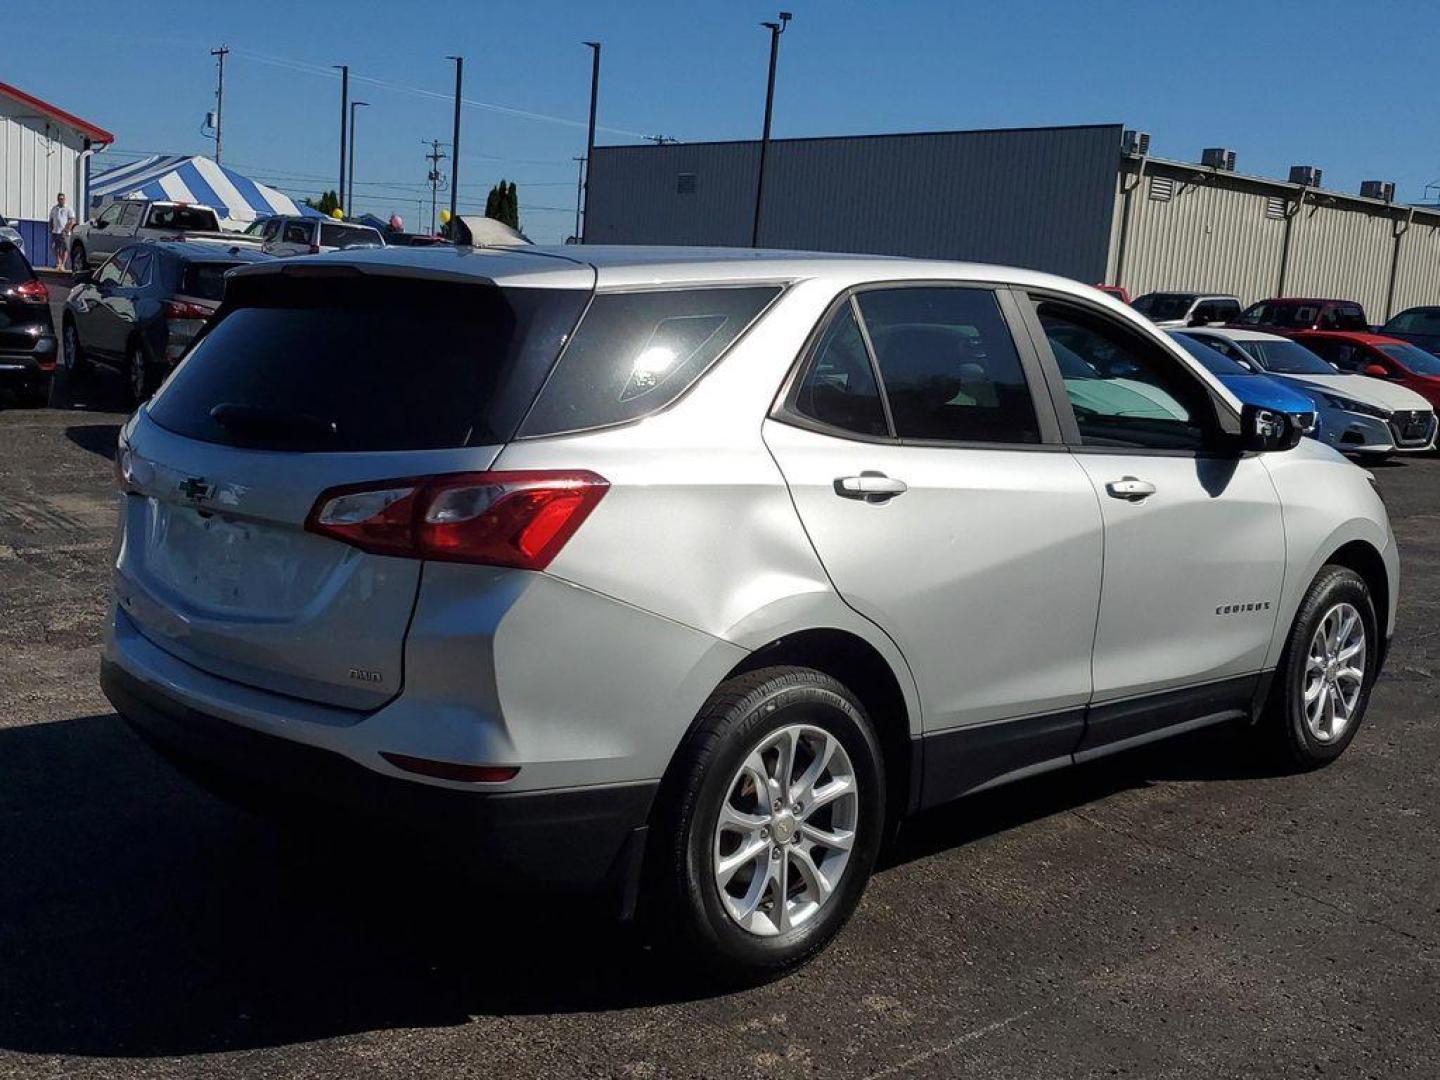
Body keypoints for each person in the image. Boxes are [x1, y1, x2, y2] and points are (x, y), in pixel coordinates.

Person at [48, 193, 75, 270]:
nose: (61, 200)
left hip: (65, 232)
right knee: (54, 247)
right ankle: (58, 262)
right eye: (60, 199)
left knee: (64, 248)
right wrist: (50, 228)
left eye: (62, 198)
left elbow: (72, 220)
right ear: (58, 199)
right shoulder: (54, 208)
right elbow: (51, 219)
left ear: (64, 199)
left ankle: (63, 264)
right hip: (55, 231)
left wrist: (67, 230)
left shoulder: (68, 208)